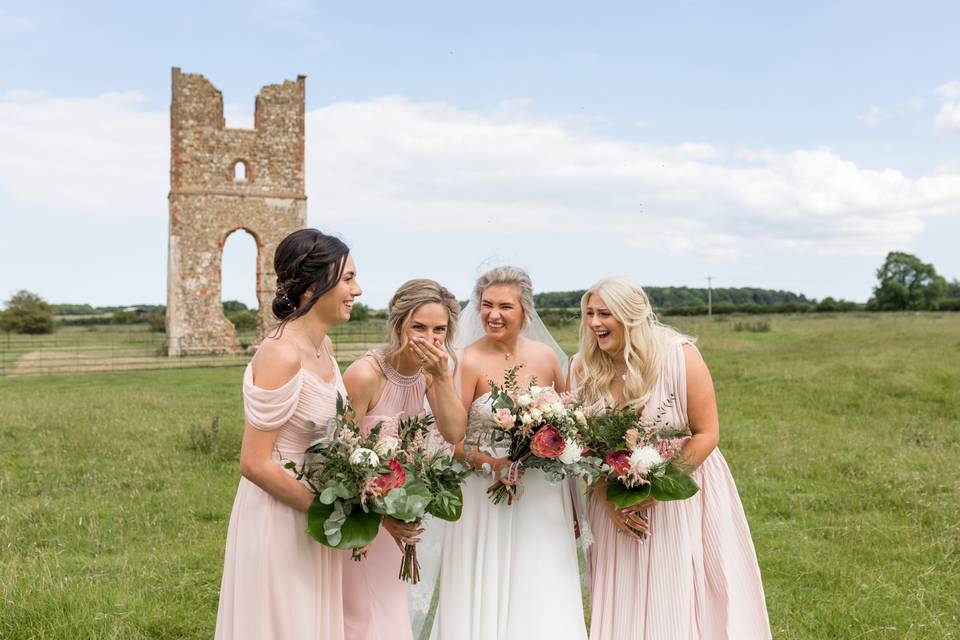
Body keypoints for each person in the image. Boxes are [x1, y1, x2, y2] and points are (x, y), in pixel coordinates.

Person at [569, 276, 771, 640]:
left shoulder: (680, 356)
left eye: (605, 314)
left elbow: (707, 432)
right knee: (622, 596)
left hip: (678, 500)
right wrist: (607, 500)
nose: (595, 322)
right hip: (612, 507)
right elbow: (584, 446)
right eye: (589, 313)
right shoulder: (581, 368)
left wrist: (658, 489)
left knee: (676, 595)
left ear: (632, 315)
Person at [215, 228, 362, 640]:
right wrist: (331, 513)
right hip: (280, 516)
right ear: (314, 285)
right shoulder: (280, 354)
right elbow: (254, 462)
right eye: (348, 279)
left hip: (317, 510)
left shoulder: (325, 348)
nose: (358, 289)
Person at [432, 266, 588, 640]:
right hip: (484, 492)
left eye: (505, 306)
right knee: (483, 578)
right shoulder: (464, 360)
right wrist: (491, 463)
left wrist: (573, 506)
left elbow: (566, 431)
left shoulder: (548, 358)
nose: (493, 315)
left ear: (526, 312)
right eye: (486, 305)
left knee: (542, 577)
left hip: (542, 493)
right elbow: (451, 440)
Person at [340, 278, 467, 640]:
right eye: (419, 327)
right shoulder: (366, 374)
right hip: (363, 521)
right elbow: (339, 454)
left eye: (439, 330)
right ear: (398, 325)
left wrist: (442, 378)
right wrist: (383, 521)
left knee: (389, 614)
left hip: (401, 514)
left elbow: (454, 432)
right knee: (361, 616)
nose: (430, 339)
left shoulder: (438, 371)